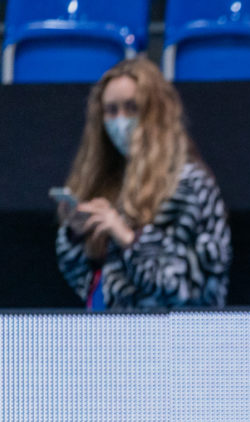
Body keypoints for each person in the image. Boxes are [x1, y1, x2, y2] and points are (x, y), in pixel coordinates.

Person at [55, 57, 230, 310]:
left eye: (131, 108)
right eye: (111, 110)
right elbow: (87, 284)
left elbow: (191, 291)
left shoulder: (189, 185)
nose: (120, 120)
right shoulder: (108, 182)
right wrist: (75, 235)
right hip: (112, 338)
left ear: (155, 112)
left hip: (173, 342)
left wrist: (128, 238)